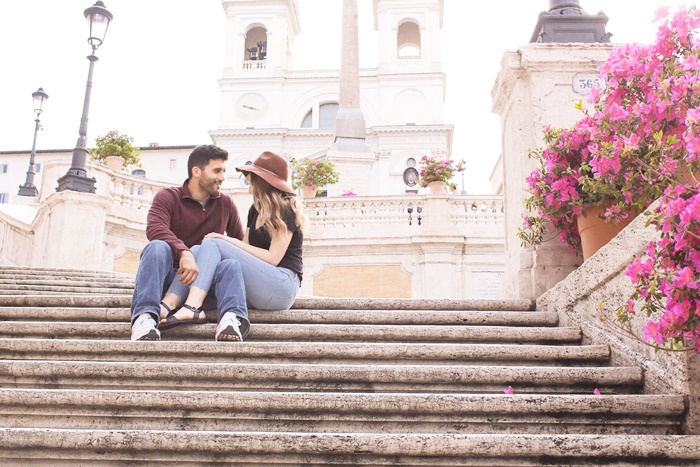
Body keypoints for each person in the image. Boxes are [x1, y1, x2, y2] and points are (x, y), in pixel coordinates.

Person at [157, 151, 308, 342]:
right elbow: (245, 248)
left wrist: (225, 240)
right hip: (259, 286)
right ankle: (168, 304)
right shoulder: (256, 209)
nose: (247, 179)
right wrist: (223, 244)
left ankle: (192, 307)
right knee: (196, 250)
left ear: (261, 179)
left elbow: (273, 258)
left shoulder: (286, 208)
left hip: (281, 286)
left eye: (250, 175)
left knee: (214, 242)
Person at [130, 144, 245, 341]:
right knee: (157, 247)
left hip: (203, 287)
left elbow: (238, 243)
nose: (222, 177)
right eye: (217, 170)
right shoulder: (168, 197)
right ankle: (145, 318)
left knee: (231, 264)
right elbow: (155, 228)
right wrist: (184, 252)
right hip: (167, 282)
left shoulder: (226, 203)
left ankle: (230, 320)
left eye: (223, 171)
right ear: (197, 171)